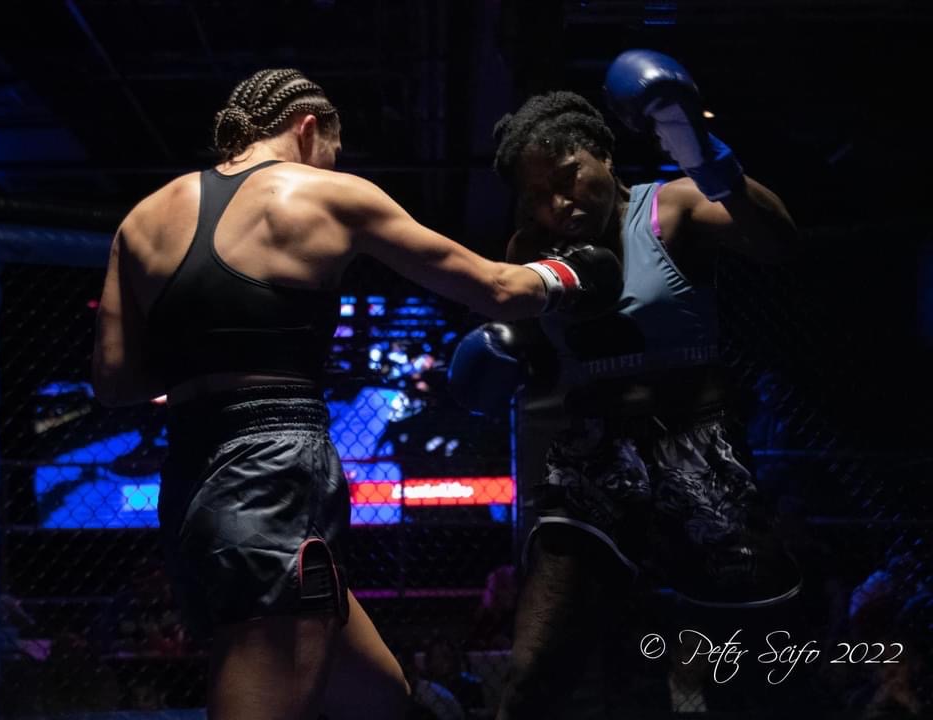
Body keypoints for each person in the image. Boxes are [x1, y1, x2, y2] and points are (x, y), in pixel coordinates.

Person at [91, 68, 620, 720]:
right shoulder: (324, 195)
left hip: (191, 490)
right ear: (308, 129)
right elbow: (497, 288)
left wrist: (216, 359)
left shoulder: (141, 219)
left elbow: (114, 381)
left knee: (382, 696)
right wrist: (571, 274)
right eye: (333, 150)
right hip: (275, 477)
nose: (334, 164)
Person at [449, 50, 804, 718]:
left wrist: (707, 157)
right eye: (536, 195)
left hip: (696, 449)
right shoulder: (528, 247)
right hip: (592, 457)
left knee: (726, 676)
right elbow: (526, 348)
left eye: (567, 178)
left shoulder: (673, 208)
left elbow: (778, 242)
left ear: (603, 156)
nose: (558, 204)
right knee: (533, 672)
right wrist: (501, 356)